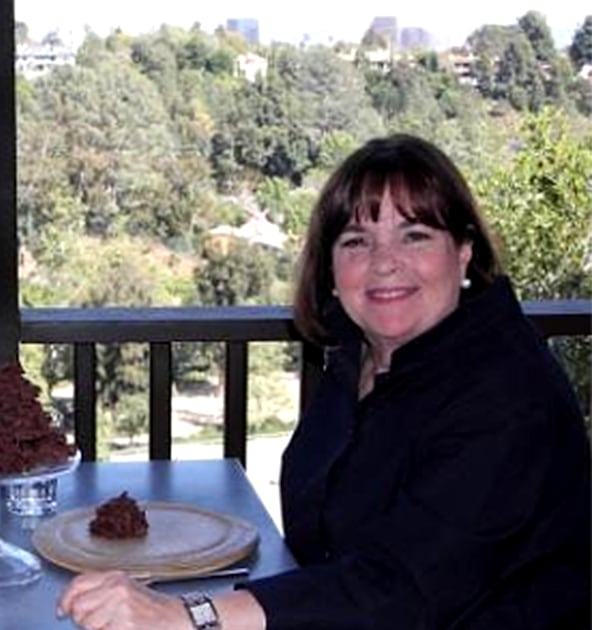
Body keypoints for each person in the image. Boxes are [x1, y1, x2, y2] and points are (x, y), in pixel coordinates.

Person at [57, 134, 590, 629]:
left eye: (415, 235)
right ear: (331, 265)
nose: (386, 263)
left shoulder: (507, 393)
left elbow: (404, 588)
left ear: (465, 250)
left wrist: (194, 616)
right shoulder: (358, 358)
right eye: (357, 241)